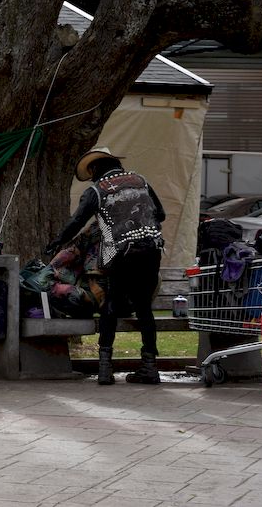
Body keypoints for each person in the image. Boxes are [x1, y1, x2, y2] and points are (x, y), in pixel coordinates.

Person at [45, 147, 166, 385]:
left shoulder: (96, 191)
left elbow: (77, 221)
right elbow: (160, 214)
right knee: (144, 308)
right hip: (152, 248)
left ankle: (104, 368)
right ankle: (149, 367)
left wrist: (57, 241)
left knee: (110, 303)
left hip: (120, 252)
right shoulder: (141, 181)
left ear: (94, 169)